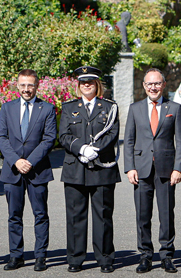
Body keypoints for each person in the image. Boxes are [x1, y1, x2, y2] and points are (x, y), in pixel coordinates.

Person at [124, 67, 181, 274]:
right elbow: (129, 141)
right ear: (144, 86)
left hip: (166, 171)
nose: (153, 87)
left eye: (157, 83)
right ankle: (145, 255)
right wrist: (129, 167)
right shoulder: (134, 109)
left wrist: (178, 168)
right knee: (143, 215)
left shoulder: (174, 108)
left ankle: (167, 256)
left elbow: (180, 141)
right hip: (141, 170)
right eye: (149, 84)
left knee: (166, 214)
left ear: (163, 85)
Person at [59, 66, 121, 273]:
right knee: (76, 216)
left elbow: (112, 132)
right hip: (75, 167)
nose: (87, 85)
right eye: (83, 81)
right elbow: (64, 136)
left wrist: (96, 150)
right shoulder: (68, 108)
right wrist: (82, 148)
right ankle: (75, 258)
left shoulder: (109, 106)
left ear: (97, 85)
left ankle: (105, 258)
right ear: (78, 85)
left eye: (91, 81)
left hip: (102, 167)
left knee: (103, 215)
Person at [0, 69, 58, 271]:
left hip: (37, 170)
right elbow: (1, 138)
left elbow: (49, 139)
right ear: (17, 85)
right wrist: (16, 161)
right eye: (23, 85)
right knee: (14, 215)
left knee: (40, 214)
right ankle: (16, 256)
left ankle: (41, 256)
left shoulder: (47, 109)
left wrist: (29, 161)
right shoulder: (7, 108)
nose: (26, 89)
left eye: (30, 85)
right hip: (12, 171)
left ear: (37, 86)